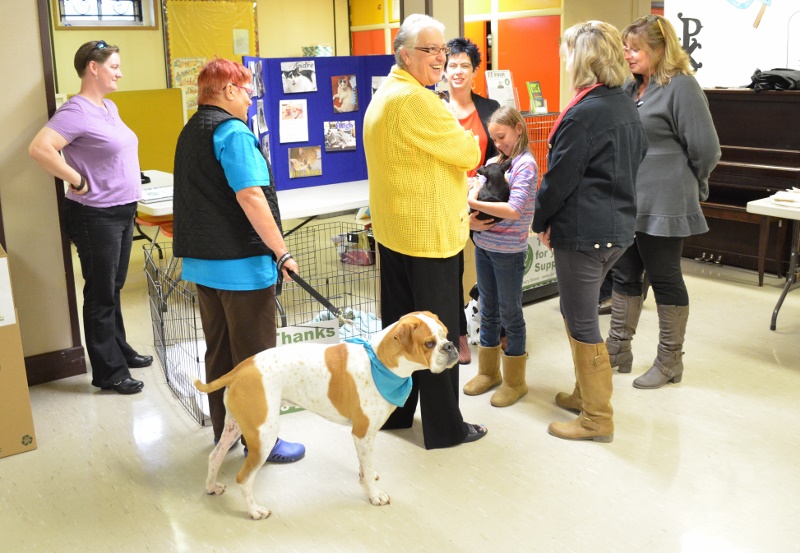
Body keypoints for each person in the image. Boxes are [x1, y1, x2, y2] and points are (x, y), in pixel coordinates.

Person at [363, 14, 487, 449]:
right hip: (428, 238)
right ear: (404, 54)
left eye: (442, 50)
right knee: (437, 337)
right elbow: (468, 150)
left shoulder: (385, 94)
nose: (439, 58)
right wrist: (454, 126)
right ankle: (445, 428)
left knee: (401, 333)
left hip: (397, 235)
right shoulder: (417, 101)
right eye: (429, 50)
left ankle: (398, 413)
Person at [172, 58, 304, 463]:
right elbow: (250, 197)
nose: (250, 98)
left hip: (203, 266)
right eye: (246, 90)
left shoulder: (191, 131)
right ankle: (260, 442)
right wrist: (282, 251)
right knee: (257, 362)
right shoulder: (232, 133)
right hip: (241, 268)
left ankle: (224, 435)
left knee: (221, 355)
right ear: (228, 90)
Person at [531, 21, 648, 442]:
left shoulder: (584, 112)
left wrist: (540, 221)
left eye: (566, 53)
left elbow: (559, 179)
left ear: (582, 58)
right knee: (575, 313)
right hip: (617, 229)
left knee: (581, 321)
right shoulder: (621, 102)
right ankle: (585, 392)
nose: (564, 60)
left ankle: (596, 418)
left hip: (585, 233)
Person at [29, 40, 151, 395]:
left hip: (123, 209)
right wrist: (76, 178)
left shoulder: (108, 107)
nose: (120, 72)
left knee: (112, 288)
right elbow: (40, 149)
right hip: (95, 215)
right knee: (100, 293)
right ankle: (109, 373)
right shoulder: (76, 111)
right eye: (114, 66)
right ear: (93, 68)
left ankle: (120, 351)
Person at [607, 14, 720, 389]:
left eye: (635, 48)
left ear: (659, 49)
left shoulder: (682, 87)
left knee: (665, 278)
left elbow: (706, 149)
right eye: (626, 48)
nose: (628, 55)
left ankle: (670, 362)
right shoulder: (629, 87)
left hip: (665, 202)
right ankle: (618, 350)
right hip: (630, 202)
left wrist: (694, 183)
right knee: (624, 274)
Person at [464, 106, 537, 407]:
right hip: (484, 245)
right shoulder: (496, 161)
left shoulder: (525, 165)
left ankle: (515, 381)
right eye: (494, 139)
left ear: (519, 129)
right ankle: (488, 371)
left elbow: (514, 209)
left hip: (508, 252)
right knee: (488, 309)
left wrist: (471, 200)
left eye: (502, 136)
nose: (498, 144)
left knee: (510, 313)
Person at [443, 36, 501, 365]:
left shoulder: (490, 110)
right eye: (453, 65)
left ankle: (497, 328)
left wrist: (479, 190)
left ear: (475, 72)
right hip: (447, 201)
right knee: (451, 273)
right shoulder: (435, 108)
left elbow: (502, 154)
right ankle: (459, 334)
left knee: (493, 270)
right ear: (444, 70)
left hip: (483, 198)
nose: (459, 71)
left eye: (465, 65)